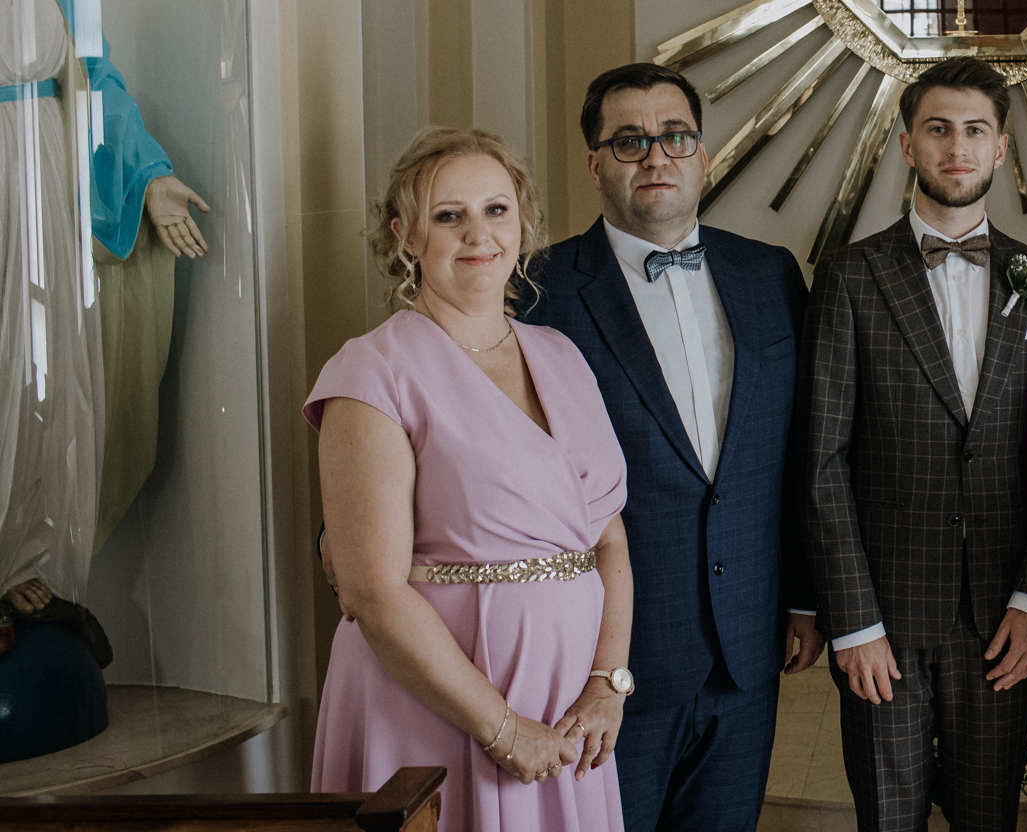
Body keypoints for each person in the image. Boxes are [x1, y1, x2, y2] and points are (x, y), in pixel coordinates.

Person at [520, 62, 822, 832]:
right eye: (629, 141)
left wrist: (803, 595)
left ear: (703, 155)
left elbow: (799, 453)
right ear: (595, 164)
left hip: (748, 645)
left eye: (675, 136)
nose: (655, 155)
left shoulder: (771, 274)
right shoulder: (538, 291)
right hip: (606, 658)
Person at [308, 127, 631, 831]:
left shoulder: (561, 354)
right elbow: (370, 590)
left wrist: (608, 682)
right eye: (448, 215)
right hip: (435, 703)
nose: (478, 234)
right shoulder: (373, 371)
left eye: (496, 210)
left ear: (523, 223)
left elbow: (608, 540)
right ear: (405, 235)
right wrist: (502, 729)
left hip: (569, 711)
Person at [802, 57, 1027, 832]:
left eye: (975, 130)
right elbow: (822, 462)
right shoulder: (849, 276)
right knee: (889, 819)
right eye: (938, 129)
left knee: (989, 817)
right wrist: (853, 621)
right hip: (883, 615)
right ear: (906, 145)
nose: (957, 147)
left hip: (1002, 616)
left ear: (1001, 149)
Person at [0, 0, 209, 650]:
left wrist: (150, 176)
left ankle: (26, 564)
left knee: (40, 371)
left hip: (43, 178)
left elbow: (97, 82)